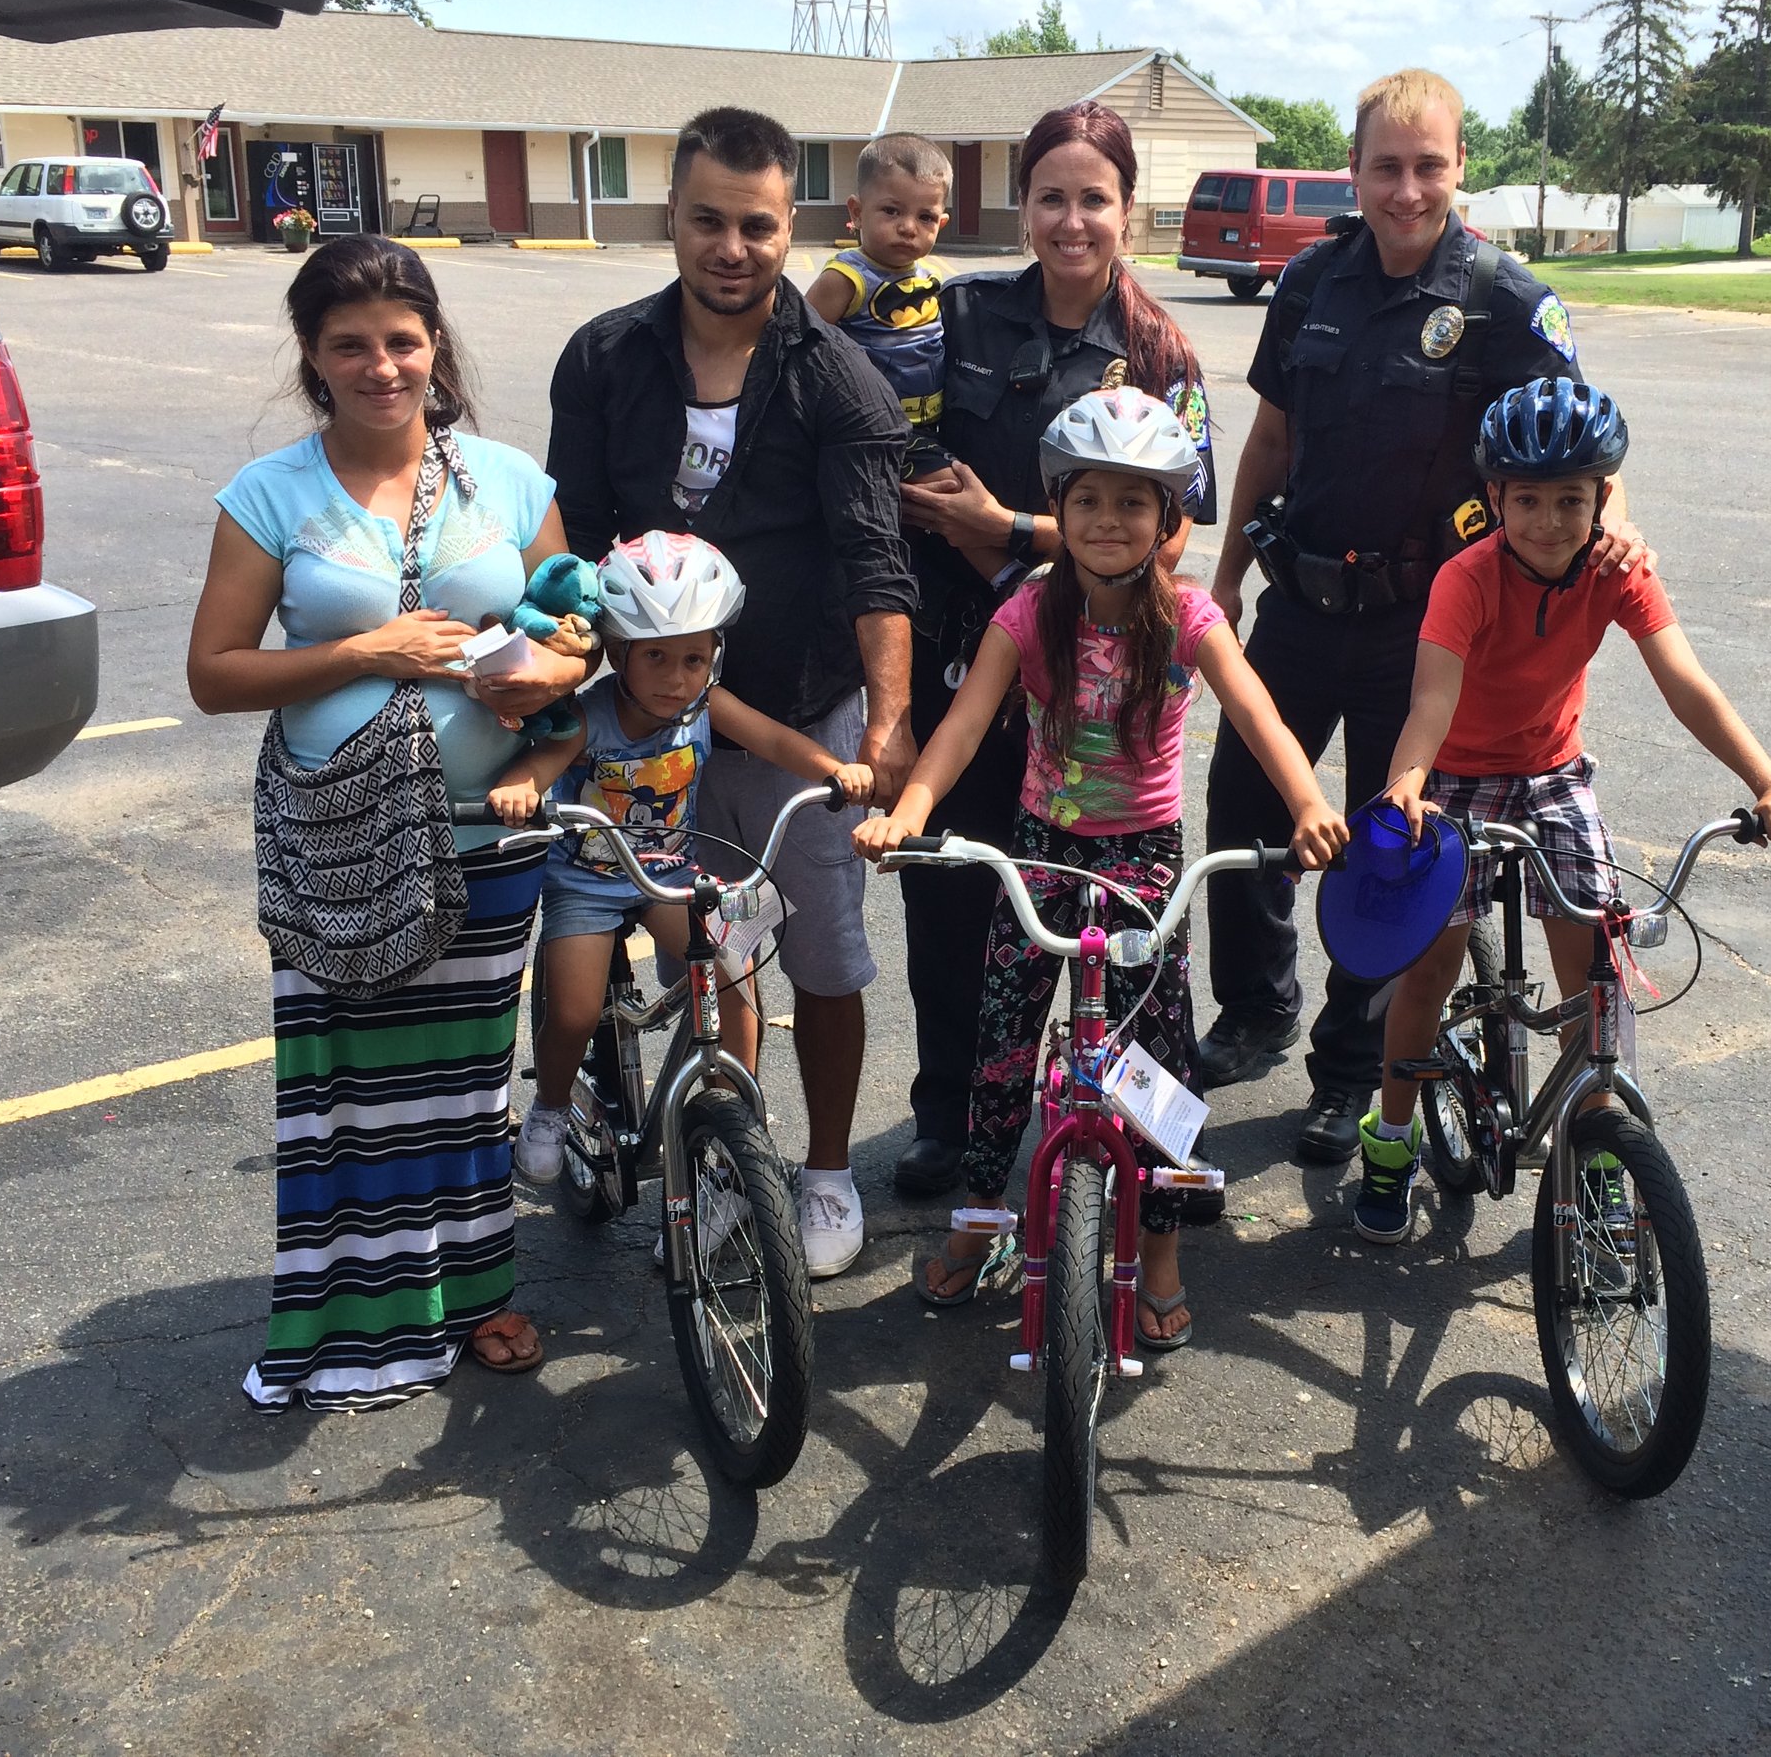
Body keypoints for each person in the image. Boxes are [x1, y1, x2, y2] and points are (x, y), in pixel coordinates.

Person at [1199, 65, 1650, 1167]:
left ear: (1459, 169)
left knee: (1384, 856)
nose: (1406, 190)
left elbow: (1582, 438)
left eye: (1428, 167)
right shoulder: (1311, 281)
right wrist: (1224, 576)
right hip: (1301, 602)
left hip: (1423, 622)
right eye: (1385, 168)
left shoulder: (1501, 295)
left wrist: (1615, 535)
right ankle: (1255, 1006)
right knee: (1241, 815)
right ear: (1352, 173)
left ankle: (1347, 1070)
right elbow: (1270, 439)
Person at [188, 235, 593, 1407]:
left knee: (467, 1084)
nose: (381, 366)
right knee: (348, 1094)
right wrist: (365, 650)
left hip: (490, 835)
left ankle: (477, 1293)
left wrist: (548, 674)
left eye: (402, 342)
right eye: (350, 346)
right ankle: (353, 1317)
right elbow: (214, 673)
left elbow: (575, 629)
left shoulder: (510, 480)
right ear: (314, 359)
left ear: (435, 349)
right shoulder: (268, 497)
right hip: (340, 840)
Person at [855, 386, 1346, 1344]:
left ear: (1167, 516)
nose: (1108, 521)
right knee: (999, 1054)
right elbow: (957, 730)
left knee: (1155, 1060)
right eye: (1088, 500)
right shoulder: (1029, 611)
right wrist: (909, 810)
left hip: (1147, 863)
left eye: (1134, 501)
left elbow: (1260, 717)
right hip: (1041, 848)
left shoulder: (1193, 617)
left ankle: (1158, 1249)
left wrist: (1311, 803)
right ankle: (983, 1222)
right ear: (1059, 510)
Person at [545, 105, 918, 1279]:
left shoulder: (840, 381)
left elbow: (877, 566)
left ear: (790, 225)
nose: (731, 248)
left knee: (824, 962)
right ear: (671, 214)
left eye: (757, 226)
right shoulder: (605, 358)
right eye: (706, 220)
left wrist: (891, 727)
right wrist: (552, 689)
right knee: (703, 962)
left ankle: (820, 1175)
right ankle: (718, 1166)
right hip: (653, 730)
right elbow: (569, 545)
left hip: (799, 720)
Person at [1351, 376, 1771, 1242]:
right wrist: (1407, 782)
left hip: (1551, 772)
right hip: (1451, 775)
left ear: (1604, 498)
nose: (1549, 522)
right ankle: (1389, 1139)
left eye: (1572, 500)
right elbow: (1431, 703)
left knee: (1595, 989)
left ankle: (1598, 1158)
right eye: (1526, 500)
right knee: (1429, 969)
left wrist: (1769, 779)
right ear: (1494, 498)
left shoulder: (1619, 572)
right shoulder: (1468, 577)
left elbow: (1685, 683)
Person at [887, 99, 1219, 1200]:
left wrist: (1016, 531)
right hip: (969, 661)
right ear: (1020, 203)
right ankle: (953, 1125)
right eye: (1050, 196)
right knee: (952, 905)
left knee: (1120, 953)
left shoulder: (1163, 348)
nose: (1071, 220)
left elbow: (1183, 520)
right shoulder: (959, 313)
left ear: (1128, 210)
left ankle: (1133, 1160)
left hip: (1096, 682)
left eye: (1094, 198)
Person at [487, 532, 875, 1184]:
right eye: (657, 658)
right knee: (577, 1011)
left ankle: (732, 1116)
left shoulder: (705, 704)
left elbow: (775, 739)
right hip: (588, 881)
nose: (677, 679)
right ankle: (551, 1105)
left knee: (735, 960)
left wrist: (836, 769)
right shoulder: (589, 718)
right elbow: (542, 761)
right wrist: (520, 788)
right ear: (617, 653)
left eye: (695, 659)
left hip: (669, 872)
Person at [806, 132, 952, 475]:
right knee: (948, 487)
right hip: (868, 425)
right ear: (856, 212)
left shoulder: (929, 278)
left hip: (928, 423)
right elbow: (801, 345)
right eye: (891, 211)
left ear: (941, 223)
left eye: (925, 217)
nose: (908, 227)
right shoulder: (847, 278)